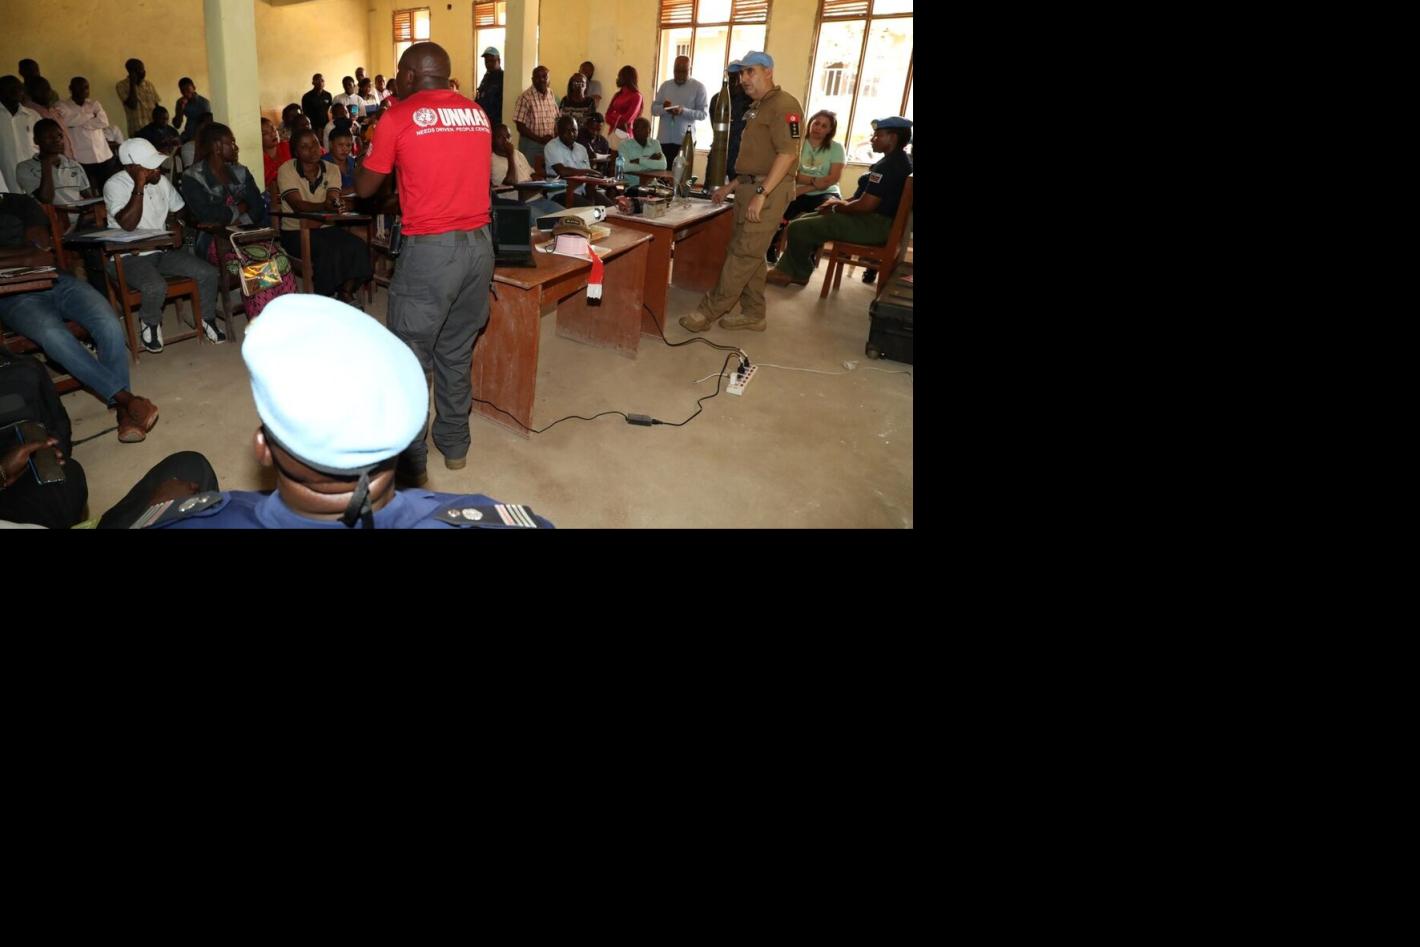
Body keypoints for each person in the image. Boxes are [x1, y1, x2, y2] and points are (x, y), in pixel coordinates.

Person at [110, 294, 551, 529]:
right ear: (402, 443)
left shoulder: (189, 519)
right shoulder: (479, 517)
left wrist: (169, 510)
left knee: (185, 467)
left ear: (262, 449)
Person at [355, 41, 494, 485]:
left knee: (411, 356)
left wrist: (371, 147)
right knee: (456, 349)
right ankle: (455, 447)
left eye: (399, 72)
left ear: (410, 75)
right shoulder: (477, 113)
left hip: (431, 251)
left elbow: (365, 188)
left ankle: (412, 462)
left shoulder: (397, 117)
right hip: (480, 247)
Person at [0, 192, 161, 443]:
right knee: (54, 335)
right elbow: (32, 253)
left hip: (57, 280)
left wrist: (18, 257)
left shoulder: (18, 202)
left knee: (108, 321)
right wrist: (27, 256)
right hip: (11, 295)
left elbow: (41, 249)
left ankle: (123, 409)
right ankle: (126, 401)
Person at [677, 52, 801, 334]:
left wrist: (762, 193)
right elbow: (755, 159)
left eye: (750, 71)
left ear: (768, 71)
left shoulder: (785, 106)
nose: (744, 79)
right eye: (741, 73)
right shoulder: (756, 107)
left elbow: (787, 154)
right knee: (749, 254)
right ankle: (754, 313)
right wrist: (731, 186)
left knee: (743, 254)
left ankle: (707, 312)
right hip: (747, 187)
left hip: (768, 191)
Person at [103, 137, 223, 350]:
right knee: (155, 286)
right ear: (132, 168)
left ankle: (206, 318)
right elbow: (128, 224)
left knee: (208, 273)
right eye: (150, 166)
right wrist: (139, 185)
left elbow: (181, 210)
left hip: (161, 251)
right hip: (128, 256)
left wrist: (176, 223)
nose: (158, 168)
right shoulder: (114, 185)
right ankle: (149, 322)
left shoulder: (161, 181)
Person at [768, 117, 912, 289]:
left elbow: (866, 205)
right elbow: (866, 199)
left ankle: (795, 272)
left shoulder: (888, 166)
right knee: (802, 220)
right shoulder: (899, 161)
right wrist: (838, 204)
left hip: (874, 226)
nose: (873, 139)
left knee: (798, 227)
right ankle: (791, 270)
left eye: (878, 135)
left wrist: (836, 207)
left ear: (893, 138)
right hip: (876, 222)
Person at [181, 122, 294, 321]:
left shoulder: (240, 171)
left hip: (247, 234)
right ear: (217, 146)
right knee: (256, 264)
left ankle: (286, 317)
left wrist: (233, 219)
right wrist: (239, 208)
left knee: (279, 259)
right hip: (214, 241)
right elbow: (206, 215)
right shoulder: (193, 177)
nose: (236, 147)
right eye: (231, 143)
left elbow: (257, 208)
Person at [277, 128, 372, 304]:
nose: (312, 149)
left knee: (358, 246)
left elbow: (332, 196)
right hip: (296, 231)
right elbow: (297, 205)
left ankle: (345, 292)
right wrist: (324, 206)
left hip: (326, 227)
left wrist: (335, 203)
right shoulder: (287, 169)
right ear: (296, 152)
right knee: (330, 251)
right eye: (305, 146)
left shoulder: (331, 169)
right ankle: (323, 297)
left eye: (314, 143)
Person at [766, 109, 844, 264]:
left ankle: (810, 253)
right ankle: (772, 246)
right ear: (810, 123)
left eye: (824, 126)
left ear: (830, 130)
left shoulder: (836, 148)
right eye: (816, 123)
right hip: (796, 189)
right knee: (781, 209)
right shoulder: (797, 143)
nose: (818, 128)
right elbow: (791, 172)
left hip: (825, 192)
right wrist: (814, 181)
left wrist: (806, 187)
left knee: (823, 214)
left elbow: (833, 178)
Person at [14, 119, 93, 232]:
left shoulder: (74, 165)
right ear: (36, 140)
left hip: (80, 221)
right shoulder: (25, 168)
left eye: (60, 136)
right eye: (49, 137)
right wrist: (46, 164)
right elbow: (46, 198)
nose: (57, 140)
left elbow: (89, 199)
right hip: (51, 224)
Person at [542, 115, 625, 209]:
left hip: (583, 191)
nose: (571, 134)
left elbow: (588, 177)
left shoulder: (581, 149)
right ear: (559, 131)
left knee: (611, 208)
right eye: (567, 131)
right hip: (561, 193)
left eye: (574, 130)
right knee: (593, 211)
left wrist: (595, 184)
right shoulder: (551, 146)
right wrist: (588, 172)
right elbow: (562, 171)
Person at [56, 77, 120, 190]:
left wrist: (79, 122)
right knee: (87, 191)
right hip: (82, 158)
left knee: (109, 189)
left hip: (103, 155)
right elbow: (66, 121)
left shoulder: (94, 104)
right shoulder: (62, 105)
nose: (83, 90)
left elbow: (104, 122)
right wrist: (90, 116)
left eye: (86, 87)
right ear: (71, 89)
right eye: (79, 87)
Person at [490, 123, 566, 218]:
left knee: (568, 216)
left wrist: (539, 179)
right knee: (544, 221)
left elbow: (531, 173)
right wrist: (510, 155)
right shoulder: (491, 160)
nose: (506, 141)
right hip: (518, 204)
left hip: (538, 199)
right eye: (500, 137)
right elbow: (511, 181)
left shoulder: (518, 154)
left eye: (508, 137)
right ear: (492, 139)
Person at [652, 55, 707, 167]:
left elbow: (703, 114)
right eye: (677, 71)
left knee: (682, 174)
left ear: (690, 69)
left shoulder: (698, 87)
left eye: (683, 71)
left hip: (684, 142)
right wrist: (664, 109)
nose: (679, 74)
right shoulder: (665, 86)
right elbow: (653, 110)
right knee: (661, 174)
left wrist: (683, 111)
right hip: (664, 140)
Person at [708, 60, 751, 182]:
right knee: (711, 187)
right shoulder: (717, 99)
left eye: (737, 76)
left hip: (740, 155)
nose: (734, 81)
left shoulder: (750, 100)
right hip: (718, 152)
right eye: (731, 76)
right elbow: (715, 126)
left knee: (737, 189)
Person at [1, 75, 40, 193]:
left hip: (34, 178)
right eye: (10, 88)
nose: (16, 91)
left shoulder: (33, 116)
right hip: (5, 179)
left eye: (18, 88)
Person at [513, 65, 559, 165]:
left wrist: (554, 138)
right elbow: (520, 126)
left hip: (549, 144)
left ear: (549, 79)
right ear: (533, 80)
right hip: (531, 145)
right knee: (530, 172)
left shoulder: (551, 94)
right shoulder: (525, 97)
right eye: (538, 77)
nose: (541, 80)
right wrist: (540, 139)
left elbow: (556, 118)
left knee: (547, 171)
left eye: (544, 76)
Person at [21, 78, 74, 160]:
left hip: (65, 160)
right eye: (41, 89)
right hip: (47, 161)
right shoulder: (29, 114)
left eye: (48, 88)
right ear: (30, 92)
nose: (47, 92)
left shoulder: (52, 110)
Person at [616, 116, 666, 186]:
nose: (639, 131)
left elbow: (663, 165)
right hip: (632, 186)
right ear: (633, 131)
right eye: (637, 128)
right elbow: (625, 167)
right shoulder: (624, 145)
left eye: (643, 128)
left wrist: (639, 161)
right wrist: (650, 162)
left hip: (652, 185)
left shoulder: (655, 143)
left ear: (649, 130)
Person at [116, 58, 160, 136]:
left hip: (154, 129)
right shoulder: (121, 85)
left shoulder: (149, 85)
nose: (144, 71)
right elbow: (132, 105)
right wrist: (132, 83)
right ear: (131, 72)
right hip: (138, 130)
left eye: (143, 68)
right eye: (140, 69)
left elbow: (157, 107)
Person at [603, 65, 643, 138]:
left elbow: (627, 119)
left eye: (619, 76)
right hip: (612, 132)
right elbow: (607, 115)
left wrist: (614, 116)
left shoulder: (637, 96)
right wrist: (617, 118)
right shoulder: (617, 95)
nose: (617, 78)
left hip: (625, 134)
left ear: (626, 78)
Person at [173, 77, 212, 144]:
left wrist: (195, 139)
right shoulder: (180, 102)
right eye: (182, 91)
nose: (185, 93)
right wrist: (180, 109)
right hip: (187, 136)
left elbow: (207, 126)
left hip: (201, 138)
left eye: (187, 90)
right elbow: (177, 125)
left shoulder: (204, 103)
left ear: (194, 87)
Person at [475, 47, 503, 125]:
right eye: (486, 61)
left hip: (495, 121)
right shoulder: (486, 77)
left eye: (492, 61)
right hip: (482, 119)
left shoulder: (503, 77)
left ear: (499, 61)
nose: (489, 64)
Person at [260, 117, 289, 189]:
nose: (273, 134)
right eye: (265, 133)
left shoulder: (287, 147)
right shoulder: (259, 158)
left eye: (273, 129)